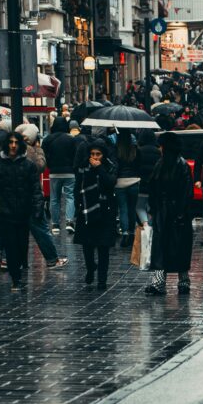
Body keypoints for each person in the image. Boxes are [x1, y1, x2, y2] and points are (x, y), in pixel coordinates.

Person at [0, 131, 44, 291]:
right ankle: (16, 278)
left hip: (23, 211)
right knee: (10, 245)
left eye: (16, 143)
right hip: (5, 211)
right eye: (11, 142)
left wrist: (37, 209)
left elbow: (36, 188)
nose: (13, 146)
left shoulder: (28, 165)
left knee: (22, 245)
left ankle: (19, 270)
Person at [145, 131, 194, 295]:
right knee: (161, 249)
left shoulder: (180, 165)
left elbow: (186, 193)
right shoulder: (164, 164)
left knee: (178, 248)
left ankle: (182, 281)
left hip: (175, 213)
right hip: (164, 212)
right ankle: (161, 283)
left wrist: (180, 213)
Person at [15, 123, 68, 270]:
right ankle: (52, 258)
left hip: (16, 198)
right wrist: (38, 149)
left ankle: (12, 259)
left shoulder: (11, 149)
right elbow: (41, 166)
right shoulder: (30, 151)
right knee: (41, 228)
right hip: (31, 196)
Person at [73, 138, 118, 290]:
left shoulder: (109, 166)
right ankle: (91, 267)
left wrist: (99, 168)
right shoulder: (83, 166)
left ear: (103, 155)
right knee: (87, 245)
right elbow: (77, 186)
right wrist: (77, 205)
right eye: (92, 154)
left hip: (105, 210)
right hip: (86, 209)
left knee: (103, 247)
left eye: (98, 154)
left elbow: (110, 183)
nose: (95, 157)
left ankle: (102, 280)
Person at [43, 116, 80, 234]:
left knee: (54, 199)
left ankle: (55, 224)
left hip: (54, 172)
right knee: (70, 196)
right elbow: (76, 155)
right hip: (69, 172)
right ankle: (69, 221)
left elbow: (44, 156)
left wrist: (50, 165)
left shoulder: (48, 139)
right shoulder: (71, 139)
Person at [113, 130, 140, 247]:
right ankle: (132, 233)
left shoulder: (116, 149)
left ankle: (124, 233)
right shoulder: (135, 149)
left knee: (122, 208)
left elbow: (115, 166)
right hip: (134, 180)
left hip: (120, 182)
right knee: (132, 208)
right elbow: (140, 164)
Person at [135, 131, 160, 225]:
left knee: (139, 207)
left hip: (141, 185)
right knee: (151, 208)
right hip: (154, 186)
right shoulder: (158, 152)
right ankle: (151, 228)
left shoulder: (139, 151)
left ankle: (145, 225)